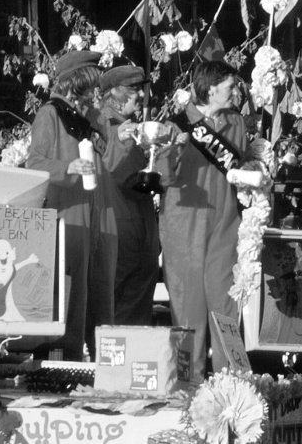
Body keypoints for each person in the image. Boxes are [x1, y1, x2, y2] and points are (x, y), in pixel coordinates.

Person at [158, 60, 249, 382]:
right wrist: (172, 149)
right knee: (188, 310)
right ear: (210, 89)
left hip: (224, 223)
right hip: (184, 227)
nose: (236, 91)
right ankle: (187, 384)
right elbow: (162, 177)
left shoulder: (236, 122)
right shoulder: (175, 125)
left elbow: (243, 160)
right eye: (230, 86)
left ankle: (232, 382)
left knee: (226, 307)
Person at [26, 50, 119, 361]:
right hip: (68, 211)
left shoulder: (91, 117)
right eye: (91, 84)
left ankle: (105, 360)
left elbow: (110, 155)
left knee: (102, 289)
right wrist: (68, 169)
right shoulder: (49, 114)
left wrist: (100, 119)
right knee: (73, 290)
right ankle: (67, 360)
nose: (95, 92)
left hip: (99, 210)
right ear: (76, 82)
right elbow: (34, 164)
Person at [96, 64, 161, 326]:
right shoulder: (110, 129)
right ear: (118, 93)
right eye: (135, 90)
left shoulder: (125, 128)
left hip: (135, 234)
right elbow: (110, 172)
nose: (141, 96)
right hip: (124, 235)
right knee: (120, 312)